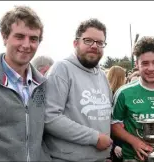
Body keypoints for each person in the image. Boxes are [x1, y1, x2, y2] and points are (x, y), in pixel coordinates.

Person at [0, 6, 51, 161]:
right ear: (4, 37)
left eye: (33, 39)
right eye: (19, 36)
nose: (26, 45)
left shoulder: (42, 84)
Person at [43, 18, 113, 162]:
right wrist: (94, 138)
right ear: (76, 43)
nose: (94, 46)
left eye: (100, 42)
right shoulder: (61, 69)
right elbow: (49, 117)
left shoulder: (102, 75)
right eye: (88, 40)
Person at [106, 65, 126, 162]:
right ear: (120, 78)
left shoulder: (107, 95)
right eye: (124, 76)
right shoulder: (114, 98)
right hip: (115, 144)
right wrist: (114, 145)